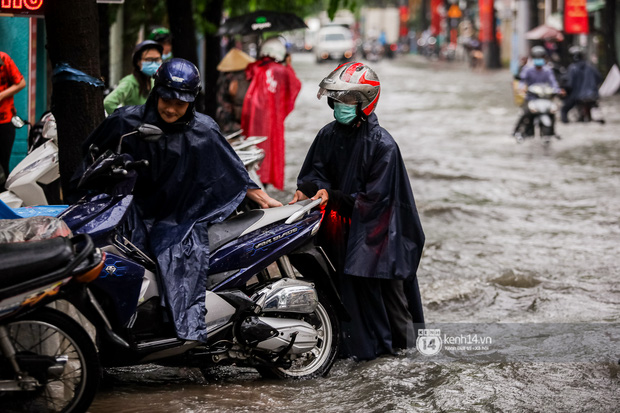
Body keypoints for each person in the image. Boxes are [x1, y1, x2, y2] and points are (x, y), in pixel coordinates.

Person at [73, 58, 282, 342]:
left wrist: (263, 198)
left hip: (180, 215)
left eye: (180, 103)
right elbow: (92, 159)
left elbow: (231, 171)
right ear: (155, 92)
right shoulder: (125, 122)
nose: (171, 109)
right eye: (166, 99)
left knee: (180, 262)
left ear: (192, 102)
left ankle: (185, 333)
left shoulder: (204, 130)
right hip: (129, 210)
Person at [289, 62, 425, 361]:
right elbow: (315, 173)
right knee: (342, 295)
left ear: (365, 102)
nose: (340, 106)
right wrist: (307, 191)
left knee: (391, 305)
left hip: (382, 236)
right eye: (337, 99)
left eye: (348, 100)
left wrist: (333, 197)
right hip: (345, 232)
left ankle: (405, 363)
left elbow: (376, 201)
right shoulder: (328, 134)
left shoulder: (383, 146)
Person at [241, 37, 301, 190]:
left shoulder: (253, 68)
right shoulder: (282, 71)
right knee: (269, 153)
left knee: (253, 153)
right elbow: (294, 87)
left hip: (253, 121)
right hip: (272, 122)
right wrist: (289, 65)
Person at [512, 45, 563, 139]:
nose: (539, 60)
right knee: (526, 113)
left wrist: (558, 90)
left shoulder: (548, 70)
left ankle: (553, 131)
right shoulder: (527, 70)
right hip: (531, 98)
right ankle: (516, 131)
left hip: (545, 98)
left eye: (541, 57)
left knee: (552, 113)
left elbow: (553, 82)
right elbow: (522, 81)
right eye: (537, 58)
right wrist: (521, 88)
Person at [104, 40, 163, 115]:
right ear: (138, 62)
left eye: (157, 59)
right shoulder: (130, 82)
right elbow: (109, 103)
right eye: (148, 59)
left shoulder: (153, 81)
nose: (154, 64)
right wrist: (125, 120)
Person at [215, 48, 255, 135]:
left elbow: (222, 98)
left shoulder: (226, 77)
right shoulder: (247, 75)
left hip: (230, 121)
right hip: (246, 117)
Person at [0, 51, 26, 185]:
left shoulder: (3, 58)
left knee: (2, 166)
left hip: (4, 121)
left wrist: (2, 95)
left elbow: (21, 83)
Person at [560, 46, 603, 123]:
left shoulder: (572, 68)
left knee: (564, 109)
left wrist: (565, 91)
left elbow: (569, 84)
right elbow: (599, 78)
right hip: (593, 94)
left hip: (577, 96)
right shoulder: (590, 66)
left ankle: (565, 121)